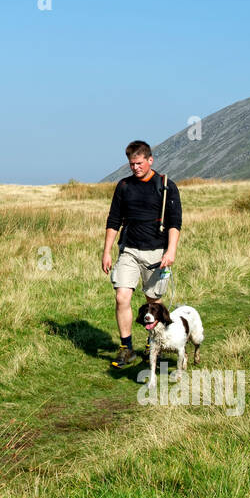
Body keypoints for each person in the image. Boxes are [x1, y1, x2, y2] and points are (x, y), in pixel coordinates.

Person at [101, 140, 182, 368]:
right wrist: (106, 251)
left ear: (150, 160)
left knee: (153, 302)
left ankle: (152, 343)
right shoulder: (124, 186)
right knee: (121, 297)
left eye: (138, 163)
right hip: (129, 250)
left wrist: (171, 250)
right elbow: (113, 220)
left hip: (157, 253)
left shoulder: (166, 185)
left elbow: (175, 223)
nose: (135, 168)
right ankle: (126, 348)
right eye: (131, 164)